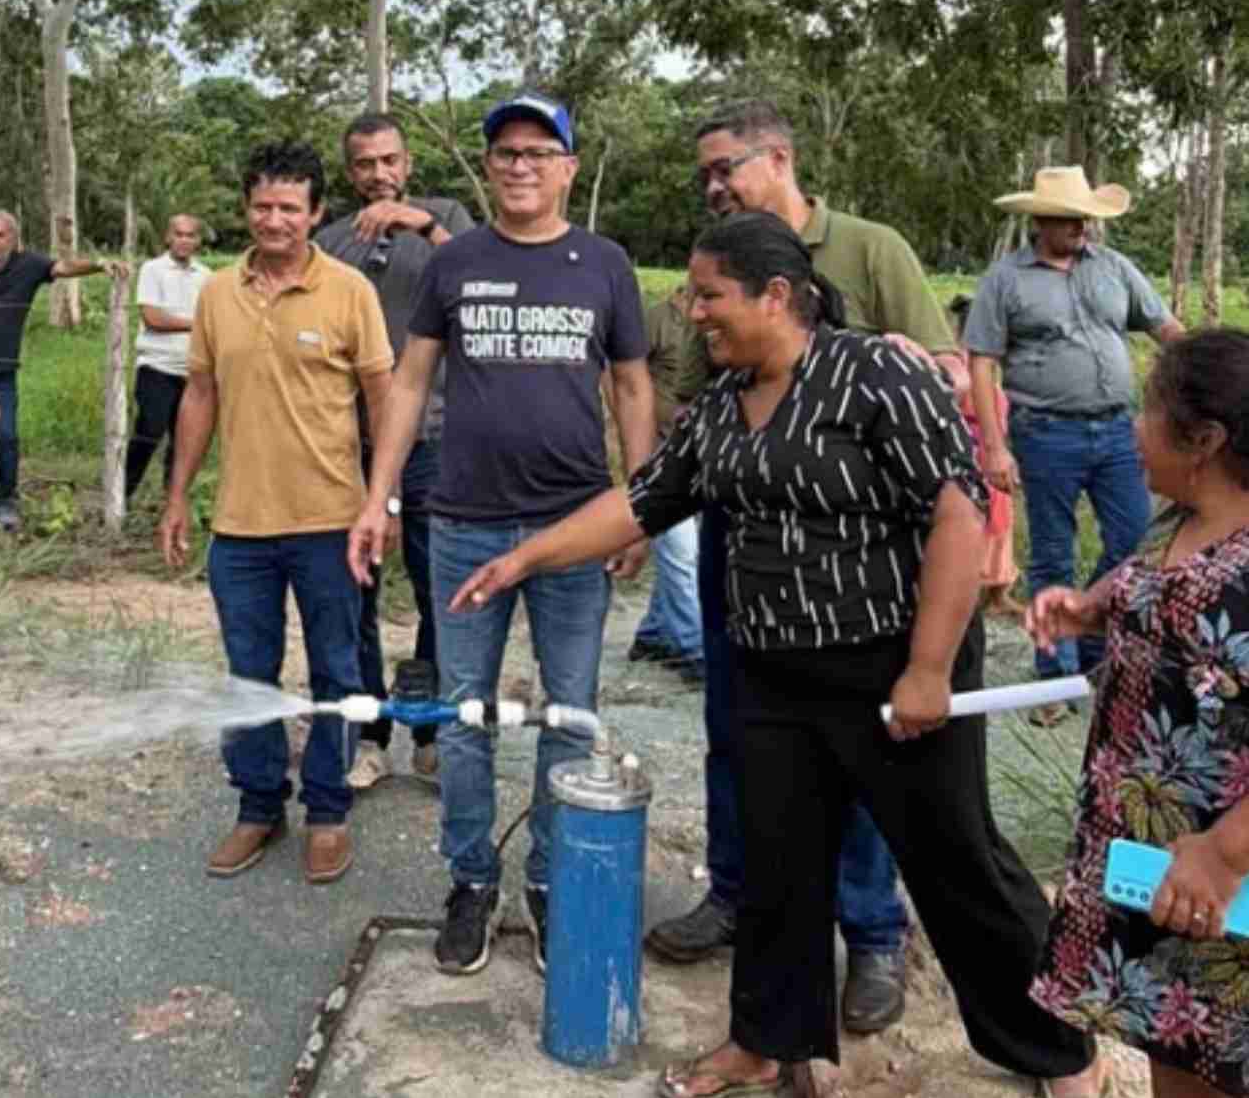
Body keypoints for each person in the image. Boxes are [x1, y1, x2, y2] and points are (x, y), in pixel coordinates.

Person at [449, 212, 1108, 1098]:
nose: (696, 313)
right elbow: (644, 499)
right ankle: (767, 1038)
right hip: (772, 674)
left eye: (711, 296)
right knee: (777, 868)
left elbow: (958, 512)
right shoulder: (721, 404)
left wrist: (927, 666)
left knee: (959, 864)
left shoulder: (873, 372)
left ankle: (1059, 1051)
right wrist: (525, 556)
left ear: (778, 295)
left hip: (895, 666)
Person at [649, 99, 970, 1034]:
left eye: (727, 168)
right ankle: (742, 894)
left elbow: (943, 379)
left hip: (857, 565)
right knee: (739, 723)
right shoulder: (711, 274)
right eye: (703, 175)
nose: (713, 186)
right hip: (738, 535)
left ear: (780, 157)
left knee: (864, 741)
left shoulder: (870, 249)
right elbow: (683, 408)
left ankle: (871, 932)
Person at [347, 89, 655, 977]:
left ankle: (550, 885)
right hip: (465, 523)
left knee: (568, 711)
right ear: (488, 168)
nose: (520, 166)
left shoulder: (603, 264)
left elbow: (630, 386)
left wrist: (640, 502)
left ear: (568, 166)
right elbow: (407, 385)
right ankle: (472, 881)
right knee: (466, 712)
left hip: (577, 522)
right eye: (505, 153)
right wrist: (379, 497)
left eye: (538, 152)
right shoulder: (456, 264)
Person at [157, 142, 393, 885]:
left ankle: (328, 811)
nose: (276, 219)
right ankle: (259, 805)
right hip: (242, 527)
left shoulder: (351, 290)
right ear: (246, 210)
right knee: (248, 673)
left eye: (292, 207)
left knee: (336, 668)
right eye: (263, 205)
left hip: (332, 521)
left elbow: (385, 399)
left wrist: (382, 501)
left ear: (317, 213)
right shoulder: (218, 296)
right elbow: (200, 395)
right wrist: (176, 495)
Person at [1025, 328, 1249, 1098]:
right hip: (1153, 866)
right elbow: (1151, 582)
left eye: (1145, 411)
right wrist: (1089, 610)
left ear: (1206, 440)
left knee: (1216, 1058)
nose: (1132, 429)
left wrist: (1224, 851)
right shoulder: (1180, 518)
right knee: (1173, 1045)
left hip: (1222, 879)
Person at [966, 166, 1185, 726]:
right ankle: (1054, 679)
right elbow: (983, 360)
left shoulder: (1114, 268)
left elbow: (1164, 327)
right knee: (1053, 555)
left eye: (1086, 218)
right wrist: (994, 446)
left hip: (1118, 430)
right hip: (1045, 432)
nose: (1082, 229)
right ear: (1041, 221)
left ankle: (1089, 646)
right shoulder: (1007, 279)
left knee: (1137, 542)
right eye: (1069, 220)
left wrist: (1215, 367)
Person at [317, 113, 475, 788]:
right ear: (349, 172)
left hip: (434, 435)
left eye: (389, 160)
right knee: (357, 583)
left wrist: (423, 225)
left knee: (440, 583)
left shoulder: (448, 220)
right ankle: (372, 729)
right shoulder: (328, 241)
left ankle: (433, 731)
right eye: (364, 164)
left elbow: (482, 284)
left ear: (407, 163)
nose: (378, 174)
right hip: (350, 439)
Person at [0, 210, 128, 531]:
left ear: (13, 238)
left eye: (0, 235)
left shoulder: (28, 266)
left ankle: (6, 500)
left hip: (3, 373)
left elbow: (63, 267)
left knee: (6, 436)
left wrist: (98, 264)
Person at [627, 285, 709, 684]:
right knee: (681, 553)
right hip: (661, 451)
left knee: (685, 551)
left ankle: (654, 634)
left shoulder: (717, 323)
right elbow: (625, 373)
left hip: (701, 453)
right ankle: (696, 648)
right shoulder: (659, 318)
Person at [126, 214, 211, 504]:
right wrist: (197, 323)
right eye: (179, 234)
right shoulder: (153, 270)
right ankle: (122, 494)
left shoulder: (206, 275)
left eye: (191, 235)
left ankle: (172, 500)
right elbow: (153, 318)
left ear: (198, 240)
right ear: (168, 237)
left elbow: (213, 321)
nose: (184, 240)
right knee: (149, 430)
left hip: (193, 369)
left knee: (184, 439)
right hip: (157, 365)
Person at [950, 294, 1021, 618]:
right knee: (976, 523)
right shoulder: (958, 365)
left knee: (1001, 520)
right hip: (969, 451)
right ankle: (972, 592)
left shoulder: (991, 364)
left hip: (993, 449)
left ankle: (997, 593)